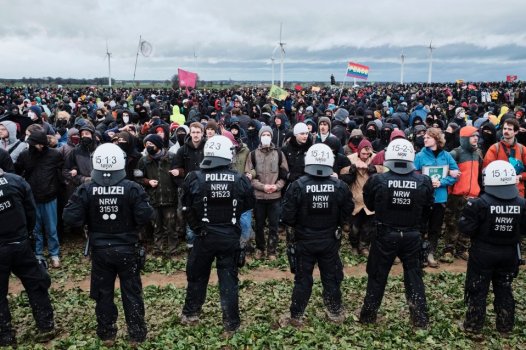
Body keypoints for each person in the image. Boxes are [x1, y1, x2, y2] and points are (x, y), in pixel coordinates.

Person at [62, 143, 154, 346]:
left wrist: (88, 217)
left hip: (101, 251)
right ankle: (136, 335)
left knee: (103, 294)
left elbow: (70, 217)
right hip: (127, 248)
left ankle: (107, 334)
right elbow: (146, 215)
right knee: (132, 293)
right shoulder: (131, 187)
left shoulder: (86, 188)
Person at [180, 135, 254, 335]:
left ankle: (191, 314)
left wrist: (197, 229)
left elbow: (186, 208)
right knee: (228, 279)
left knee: (197, 277)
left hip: (204, 236)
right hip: (229, 237)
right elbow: (248, 204)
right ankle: (231, 323)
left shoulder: (194, 177)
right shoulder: (239, 179)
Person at [359, 138, 434, 328]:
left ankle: (368, 317)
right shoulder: (423, 181)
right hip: (412, 235)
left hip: (385, 234)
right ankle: (420, 319)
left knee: (377, 276)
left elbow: (369, 204)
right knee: (414, 276)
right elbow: (427, 209)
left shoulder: (378, 180)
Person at [280, 143, 353, 327]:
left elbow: (287, 216)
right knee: (332, 278)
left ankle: (296, 316)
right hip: (329, 240)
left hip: (304, 240)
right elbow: (348, 210)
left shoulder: (298, 185)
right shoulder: (340, 186)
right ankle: (335, 313)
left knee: (303, 280)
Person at [459, 160, 526, 335]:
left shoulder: (479, 203)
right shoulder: (522, 203)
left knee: (477, 288)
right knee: (505, 288)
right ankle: (505, 326)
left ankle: (473, 326)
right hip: (510, 252)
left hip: (483, 253)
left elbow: (466, 228)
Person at [0, 168, 55, 347]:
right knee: (36, 285)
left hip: (12, 244)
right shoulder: (16, 181)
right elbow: (31, 211)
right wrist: (26, 233)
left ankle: (6, 335)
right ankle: (45, 326)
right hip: (20, 243)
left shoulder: (16, 181)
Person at [15, 126, 64, 268]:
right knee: (36, 229)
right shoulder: (24, 155)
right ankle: (38, 255)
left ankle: (54, 254)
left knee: (51, 228)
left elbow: (60, 170)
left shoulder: (55, 155)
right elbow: (18, 171)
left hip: (50, 196)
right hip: (32, 198)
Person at [413, 127, 459, 268]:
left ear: (436, 139)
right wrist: (426, 181)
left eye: (428, 137)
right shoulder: (420, 156)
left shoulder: (446, 156)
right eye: (424, 137)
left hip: (440, 198)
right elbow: (413, 175)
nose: (424, 139)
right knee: (421, 226)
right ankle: (419, 254)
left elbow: (456, 175)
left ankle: (430, 253)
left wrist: (442, 182)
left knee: (435, 227)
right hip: (423, 198)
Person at [245, 126, 289, 260]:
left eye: (268, 134)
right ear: (259, 137)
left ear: (271, 136)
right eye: (263, 134)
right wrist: (263, 187)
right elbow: (249, 176)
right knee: (259, 225)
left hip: (275, 197)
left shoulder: (279, 154)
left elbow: (284, 175)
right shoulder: (252, 154)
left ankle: (272, 251)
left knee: (274, 225)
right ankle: (260, 248)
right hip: (259, 197)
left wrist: (276, 187)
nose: (266, 137)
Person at [441, 126, 482, 262]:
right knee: (452, 223)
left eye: (477, 136)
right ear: (464, 138)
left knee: (468, 224)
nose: (476, 138)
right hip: (456, 196)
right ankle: (448, 250)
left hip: (473, 196)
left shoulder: (478, 154)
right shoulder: (455, 153)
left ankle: (462, 249)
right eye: (472, 136)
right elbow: (444, 171)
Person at [136, 134, 178, 256]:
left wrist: (178, 172)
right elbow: (137, 177)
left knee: (171, 226)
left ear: (158, 144)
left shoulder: (172, 157)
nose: (148, 146)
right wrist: (148, 182)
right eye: (146, 144)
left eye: (151, 144)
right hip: (153, 199)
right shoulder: (143, 160)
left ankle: (173, 250)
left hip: (170, 198)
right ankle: (158, 249)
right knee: (156, 226)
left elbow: (181, 171)